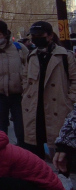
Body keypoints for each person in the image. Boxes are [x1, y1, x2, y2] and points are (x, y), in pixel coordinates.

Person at [22, 21, 76, 164]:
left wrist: (70, 99)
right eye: (33, 36)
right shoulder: (31, 56)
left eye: (39, 35)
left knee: (58, 146)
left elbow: (74, 79)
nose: (35, 39)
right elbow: (24, 77)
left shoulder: (65, 56)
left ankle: (62, 178)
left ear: (50, 36)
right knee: (35, 144)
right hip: (35, 107)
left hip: (57, 106)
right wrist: (25, 94)